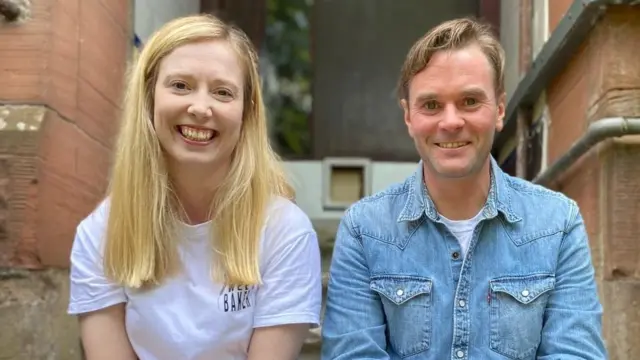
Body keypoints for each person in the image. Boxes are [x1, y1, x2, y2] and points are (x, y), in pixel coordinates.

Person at [321, 17, 607, 360]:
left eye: (470, 101)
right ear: (408, 116)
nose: (451, 121)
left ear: (500, 110)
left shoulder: (558, 224)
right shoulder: (365, 229)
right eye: (431, 105)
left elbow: (575, 354)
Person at [67, 14, 322, 360]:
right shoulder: (101, 233)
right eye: (180, 86)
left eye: (222, 92)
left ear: (246, 113)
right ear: (148, 98)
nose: (200, 108)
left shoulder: (284, 232)